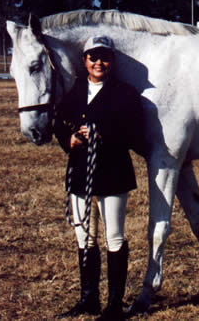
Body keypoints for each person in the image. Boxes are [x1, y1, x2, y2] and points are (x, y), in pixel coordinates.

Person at [54, 35, 144, 320]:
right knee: (84, 237)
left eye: (104, 57)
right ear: (85, 61)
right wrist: (69, 139)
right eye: (93, 57)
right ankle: (88, 299)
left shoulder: (125, 94)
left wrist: (102, 134)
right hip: (81, 172)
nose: (98, 62)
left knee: (113, 237)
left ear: (112, 61)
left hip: (114, 172)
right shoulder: (76, 90)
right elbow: (59, 122)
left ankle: (115, 305)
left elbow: (135, 131)